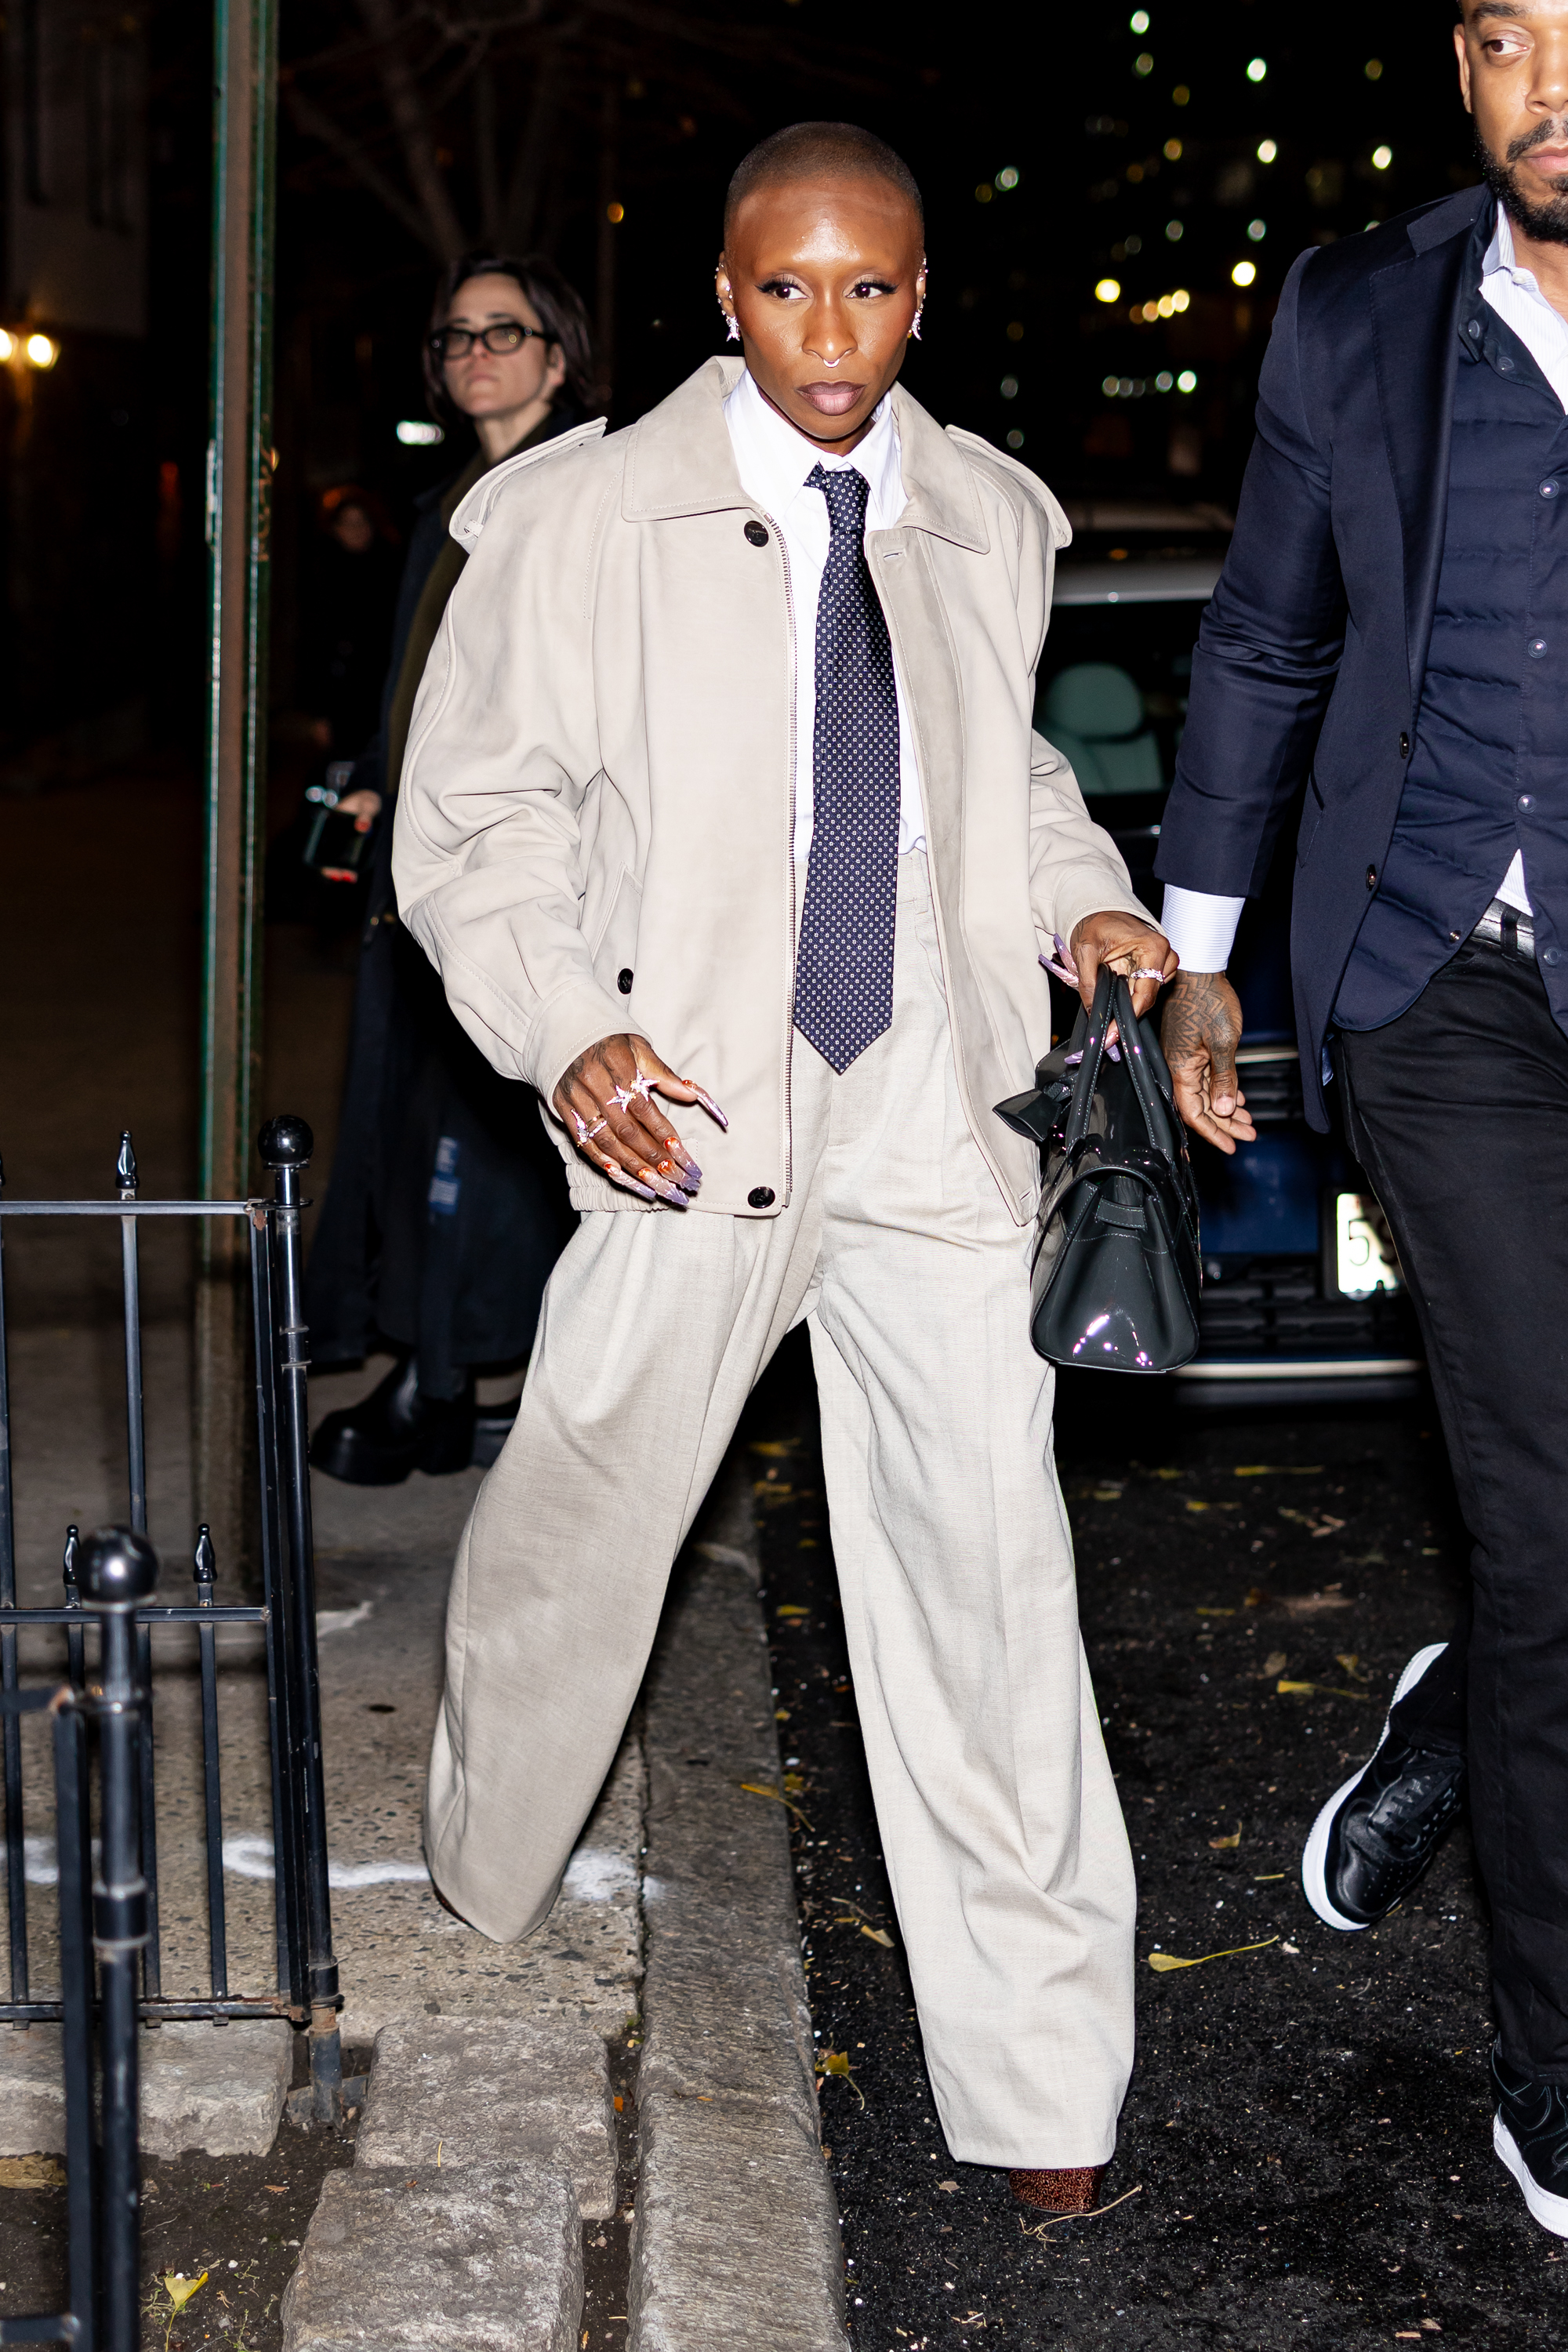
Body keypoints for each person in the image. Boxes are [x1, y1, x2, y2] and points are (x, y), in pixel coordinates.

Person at [392, 122, 1176, 2209]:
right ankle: (478, 1883)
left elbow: (1000, 777)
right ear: (721, 296)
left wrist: (1092, 905)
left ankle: (1040, 2087)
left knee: (990, 1588)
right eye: (786, 290)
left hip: (931, 1115)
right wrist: (569, 1036)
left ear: (927, 293)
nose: (832, 336)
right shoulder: (565, 518)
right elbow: (475, 826)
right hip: (691, 1109)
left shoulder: (990, 514)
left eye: (874, 289)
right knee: (579, 1527)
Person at [1155, 0, 1568, 2238]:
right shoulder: (1361, 309)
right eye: (1517, 39)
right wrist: (1205, 942)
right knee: (1559, 1503)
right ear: (1463, 66)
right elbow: (1268, 637)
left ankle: (1466, 1711)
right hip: (1446, 982)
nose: (1556, 87)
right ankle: (1558, 2060)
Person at [306, 252, 591, 1483]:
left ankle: (471, 1385)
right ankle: (436, 1374)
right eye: (455, 338)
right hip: (425, 865)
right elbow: (425, 686)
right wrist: (379, 767)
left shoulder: (586, 494)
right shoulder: (447, 505)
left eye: (501, 332)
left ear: (557, 354)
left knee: (495, 1137)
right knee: (418, 1117)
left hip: (535, 863)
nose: (473, 354)